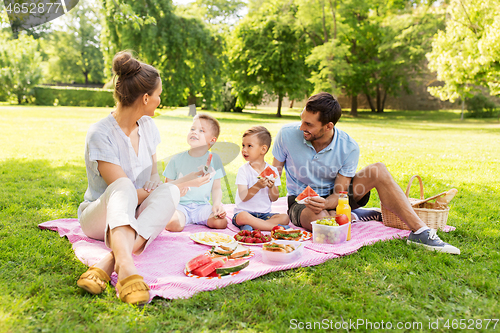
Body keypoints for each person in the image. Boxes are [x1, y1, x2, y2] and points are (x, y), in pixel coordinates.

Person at [76, 51, 209, 305]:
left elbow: (154, 178)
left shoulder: (148, 127)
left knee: (169, 193)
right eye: (158, 95)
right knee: (125, 185)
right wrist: (179, 184)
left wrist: (171, 186)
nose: (160, 100)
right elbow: (124, 191)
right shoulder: (100, 133)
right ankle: (126, 267)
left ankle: (110, 261)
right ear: (146, 98)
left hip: (135, 215)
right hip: (100, 218)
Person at [272, 92, 460, 255]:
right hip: (300, 200)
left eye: (308, 124)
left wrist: (327, 203)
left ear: (328, 126)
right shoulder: (286, 135)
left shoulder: (348, 146)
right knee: (323, 225)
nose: (301, 127)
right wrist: (268, 186)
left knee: (378, 169)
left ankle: (420, 232)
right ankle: (356, 216)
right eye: (301, 119)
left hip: (337, 197)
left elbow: (340, 193)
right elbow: (274, 174)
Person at [163, 113, 227, 231]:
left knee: (221, 222)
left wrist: (217, 204)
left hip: (202, 207)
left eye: (201, 130)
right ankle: (181, 219)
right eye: (192, 129)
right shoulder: (176, 159)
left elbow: (216, 188)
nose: (194, 132)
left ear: (212, 141)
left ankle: (199, 219)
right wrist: (178, 190)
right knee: (173, 224)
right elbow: (167, 187)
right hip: (180, 206)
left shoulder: (215, 160)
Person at [232, 126, 289, 231]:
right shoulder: (243, 170)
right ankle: (275, 228)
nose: (244, 149)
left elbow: (274, 198)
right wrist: (257, 186)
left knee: (285, 218)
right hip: (244, 212)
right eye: (243, 145)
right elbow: (243, 196)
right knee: (242, 217)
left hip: (264, 215)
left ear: (263, 149)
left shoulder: (272, 170)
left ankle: (253, 226)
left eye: (249, 146)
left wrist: (272, 187)